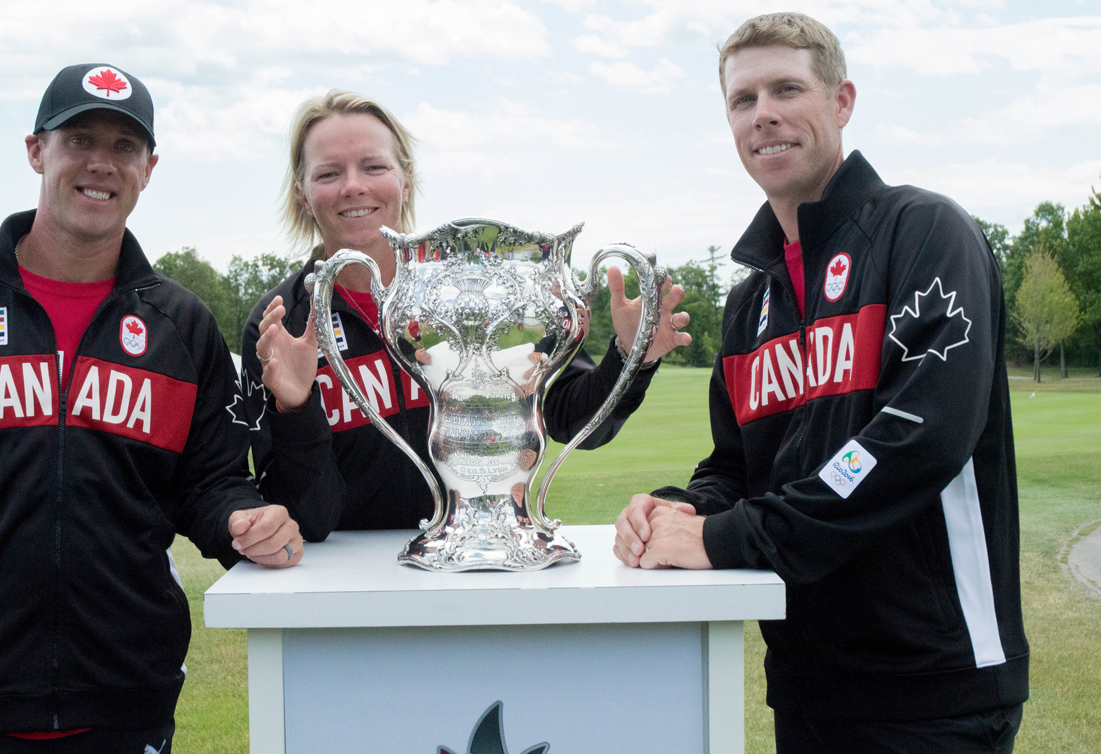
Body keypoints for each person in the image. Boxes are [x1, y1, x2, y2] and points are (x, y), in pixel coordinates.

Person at [0, 63, 303, 754]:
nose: (101, 164)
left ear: (150, 167)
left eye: (124, 147)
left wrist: (240, 519)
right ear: (36, 151)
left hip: (128, 701)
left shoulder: (181, 326)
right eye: (79, 138)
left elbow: (206, 485)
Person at [613, 13, 1028, 753]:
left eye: (786, 89)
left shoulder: (926, 232)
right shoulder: (752, 300)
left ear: (841, 103)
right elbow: (738, 465)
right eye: (743, 100)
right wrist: (674, 511)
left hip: (932, 690)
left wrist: (726, 536)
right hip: (807, 681)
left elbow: (914, 439)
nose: (763, 113)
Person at [238, 90, 693, 539]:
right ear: (301, 191)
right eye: (329, 172)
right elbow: (307, 516)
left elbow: (574, 422)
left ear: (406, 179)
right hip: (345, 588)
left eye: (374, 166)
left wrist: (629, 357)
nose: (353, 185)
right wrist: (295, 409)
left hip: (478, 567)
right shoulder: (280, 324)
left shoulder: (478, 291)